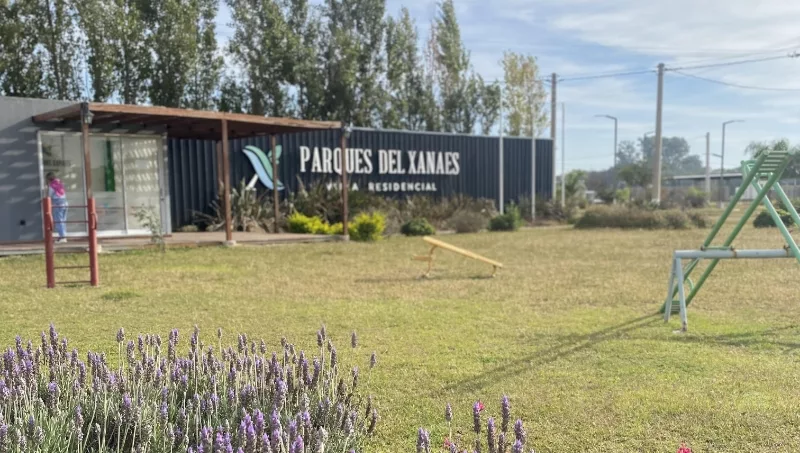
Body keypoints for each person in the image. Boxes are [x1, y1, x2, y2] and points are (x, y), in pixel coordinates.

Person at [46, 172, 68, 243]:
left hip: (57, 203)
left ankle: (62, 237)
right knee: (63, 220)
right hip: (65, 202)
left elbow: (49, 196)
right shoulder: (60, 183)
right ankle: (63, 236)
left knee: (58, 221)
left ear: (48, 179)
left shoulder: (52, 185)